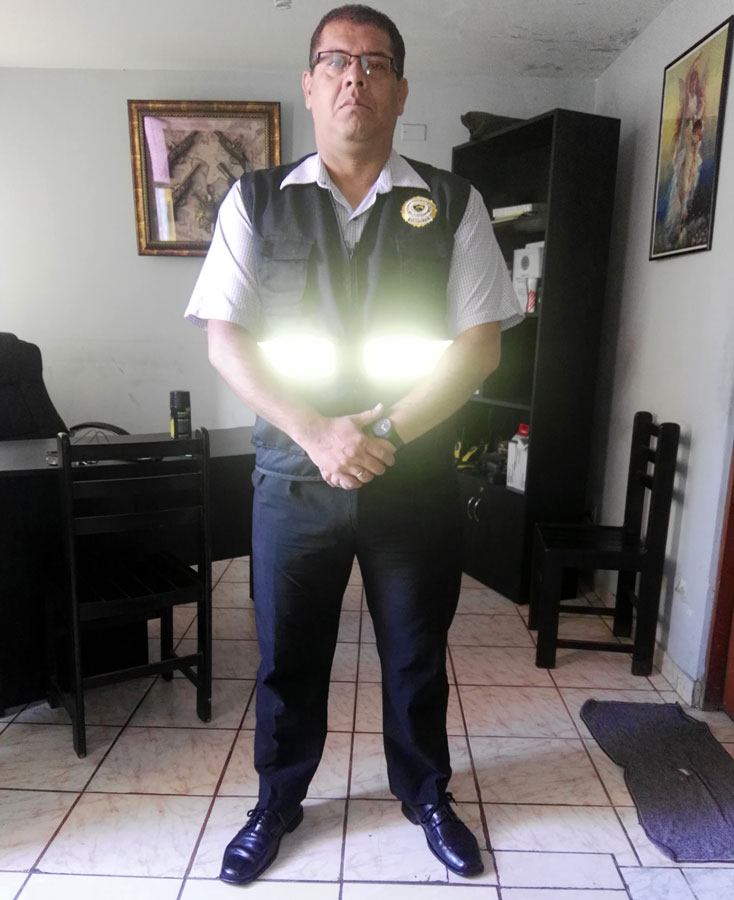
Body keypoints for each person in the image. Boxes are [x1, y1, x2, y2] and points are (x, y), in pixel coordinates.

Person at [185, 4, 523, 886]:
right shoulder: (254, 200)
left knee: (415, 653)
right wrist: (319, 433)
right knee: (287, 657)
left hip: (411, 476)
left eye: (375, 63)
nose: (355, 77)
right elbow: (225, 341)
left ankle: (425, 795)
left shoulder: (452, 203)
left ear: (401, 91)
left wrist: (381, 433)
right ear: (309, 84)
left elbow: (479, 346)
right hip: (293, 477)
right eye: (336, 61)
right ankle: (277, 801)